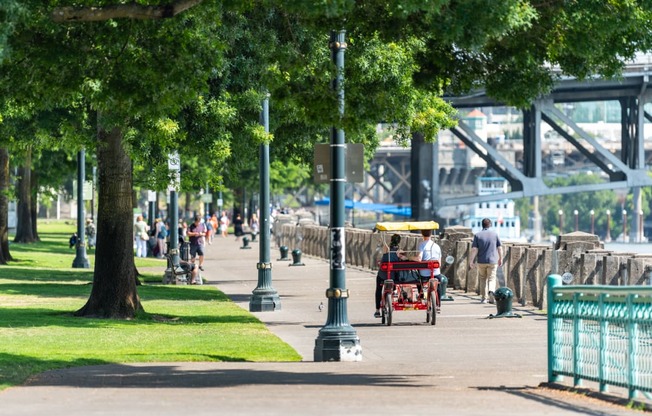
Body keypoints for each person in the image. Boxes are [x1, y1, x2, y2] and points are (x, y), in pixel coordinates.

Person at [469, 218, 504, 304]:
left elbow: (474, 249)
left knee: (483, 278)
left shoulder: (477, 235)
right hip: (493, 261)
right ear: (490, 225)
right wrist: (501, 258)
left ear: (482, 225)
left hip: (481, 261)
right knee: (492, 278)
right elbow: (500, 248)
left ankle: (484, 298)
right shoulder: (495, 234)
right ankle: (491, 291)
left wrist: (471, 261)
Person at [407, 229, 442, 308]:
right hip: (436, 273)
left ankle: (422, 294)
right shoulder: (437, 246)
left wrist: (409, 257)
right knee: (438, 285)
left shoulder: (422, 245)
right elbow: (439, 263)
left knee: (417, 279)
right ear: (431, 234)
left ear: (422, 234)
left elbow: (419, 259)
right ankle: (438, 305)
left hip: (424, 275)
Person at [374, 234, 406, 318]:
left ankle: (377, 310)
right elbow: (405, 259)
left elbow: (383, 253)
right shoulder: (400, 252)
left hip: (382, 276)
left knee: (378, 289)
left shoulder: (386, 249)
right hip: (393, 277)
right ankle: (394, 291)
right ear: (399, 241)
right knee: (395, 275)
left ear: (391, 240)